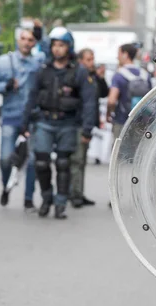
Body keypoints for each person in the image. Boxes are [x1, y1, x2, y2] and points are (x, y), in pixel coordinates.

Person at [21, 27, 97, 219]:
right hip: (45, 122)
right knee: (41, 163)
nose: (57, 49)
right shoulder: (43, 70)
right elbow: (31, 97)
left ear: (69, 47)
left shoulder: (78, 72)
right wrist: (24, 122)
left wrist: (87, 129)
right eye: (54, 45)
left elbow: (89, 101)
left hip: (68, 123)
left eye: (61, 45)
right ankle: (47, 198)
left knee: (64, 163)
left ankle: (61, 203)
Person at [0, 28, 44, 212]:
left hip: (33, 118)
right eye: (23, 38)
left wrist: (40, 31)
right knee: (5, 159)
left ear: (34, 43)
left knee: (32, 160)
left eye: (31, 39)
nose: (27, 42)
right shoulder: (4, 61)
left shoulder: (39, 62)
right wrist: (6, 86)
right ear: (18, 40)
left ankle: (28, 199)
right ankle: (6, 186)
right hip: (11, 117)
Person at [70, 48, 102, 208]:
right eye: (89, 59)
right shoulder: (79, 75)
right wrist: (86, 128)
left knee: (81, 161)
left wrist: (99, 77)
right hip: (79, 123)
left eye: (93, 59)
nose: (92, 62)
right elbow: (87, 105)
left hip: (85, 124)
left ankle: (78, 192)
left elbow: (103, 93)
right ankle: (74, 194)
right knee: (76, 160)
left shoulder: (91, 76)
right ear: (80, 60)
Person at [107, 43, 152, 143]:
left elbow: (111, 100)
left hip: (122, 120)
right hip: (141, 121)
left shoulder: (119, 75)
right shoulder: (145, 74)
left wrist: (109, 113)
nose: (117, 57)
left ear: (125, 54)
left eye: (118, 53)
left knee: (119, 154)